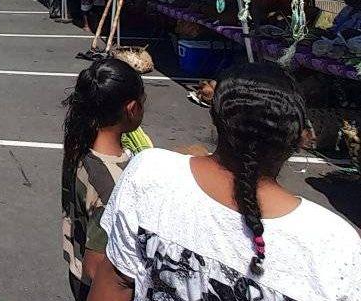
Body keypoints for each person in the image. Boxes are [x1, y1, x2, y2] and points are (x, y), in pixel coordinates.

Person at [91, 64, 361, 301]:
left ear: (215, 117)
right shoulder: (332, 242)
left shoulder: (149, 172)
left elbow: (115, 283)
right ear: (299, 138)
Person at [61, 59, 146, 301]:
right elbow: (95, 267)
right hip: (98, 287)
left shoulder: (79, 141)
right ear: (131, 109)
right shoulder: (114, 186)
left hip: (75, 264)